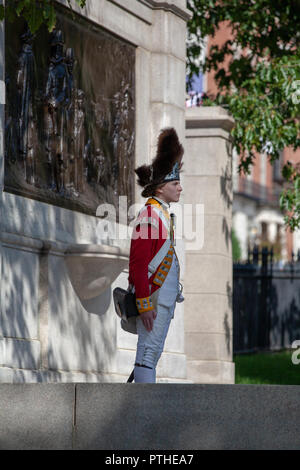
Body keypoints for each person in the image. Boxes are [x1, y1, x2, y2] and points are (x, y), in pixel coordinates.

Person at [128, 127, 184, 383]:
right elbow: (138, 264)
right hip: (153, 297)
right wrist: (144, 302)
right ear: (160, 189)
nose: (180, 188)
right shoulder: (150, 216)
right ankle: (144, 412)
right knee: (147, 355)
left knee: (152, 353)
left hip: (160, 297)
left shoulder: (159, 214)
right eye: (175, 183)